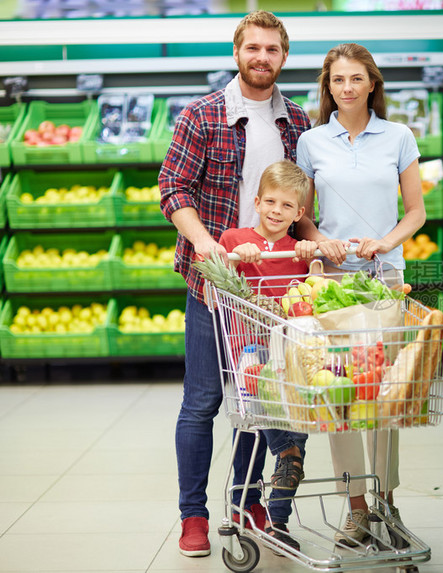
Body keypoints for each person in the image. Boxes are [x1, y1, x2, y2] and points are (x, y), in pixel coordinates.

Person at [158, 10, 311, 558]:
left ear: (283, 56)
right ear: (237, 52)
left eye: (272, 49)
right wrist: (205, 244)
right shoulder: (202, 115)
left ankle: (248, 500)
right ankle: (193, 516)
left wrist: (315, 249)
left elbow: (303, 200)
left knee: (260, 397)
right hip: (215, 286)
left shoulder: (296, 120)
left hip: (275, 292)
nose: (261, 57)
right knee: (203, 400)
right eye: (253, 48)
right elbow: (173, 188)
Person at [294, 42, 426, 548]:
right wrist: (319, 240)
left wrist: (386, 242)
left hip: (385, 279)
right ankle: (355, 508)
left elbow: (415, 211)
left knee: (384, 398)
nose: (346, 88)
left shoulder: (398, 137)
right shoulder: (312, 142)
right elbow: (303, 214)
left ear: (372, 83)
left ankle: (386, 500)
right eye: (337, 81)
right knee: (340, 396)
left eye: (355, 79)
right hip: (331, 285)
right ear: (327, 88)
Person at [219, 160, 317, 550]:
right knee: (286, 437)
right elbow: (217, 278)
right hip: (252, 354)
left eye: (287, 206)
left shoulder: (298, 251)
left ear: (300, 213)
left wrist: (315, 258)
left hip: (292, 356)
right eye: (270, 202)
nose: (277, 211)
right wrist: (236, 257)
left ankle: (278, 523)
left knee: (300, 429)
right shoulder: (234, 239)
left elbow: (317, 296)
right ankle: (286, 454)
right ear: (256, 202)